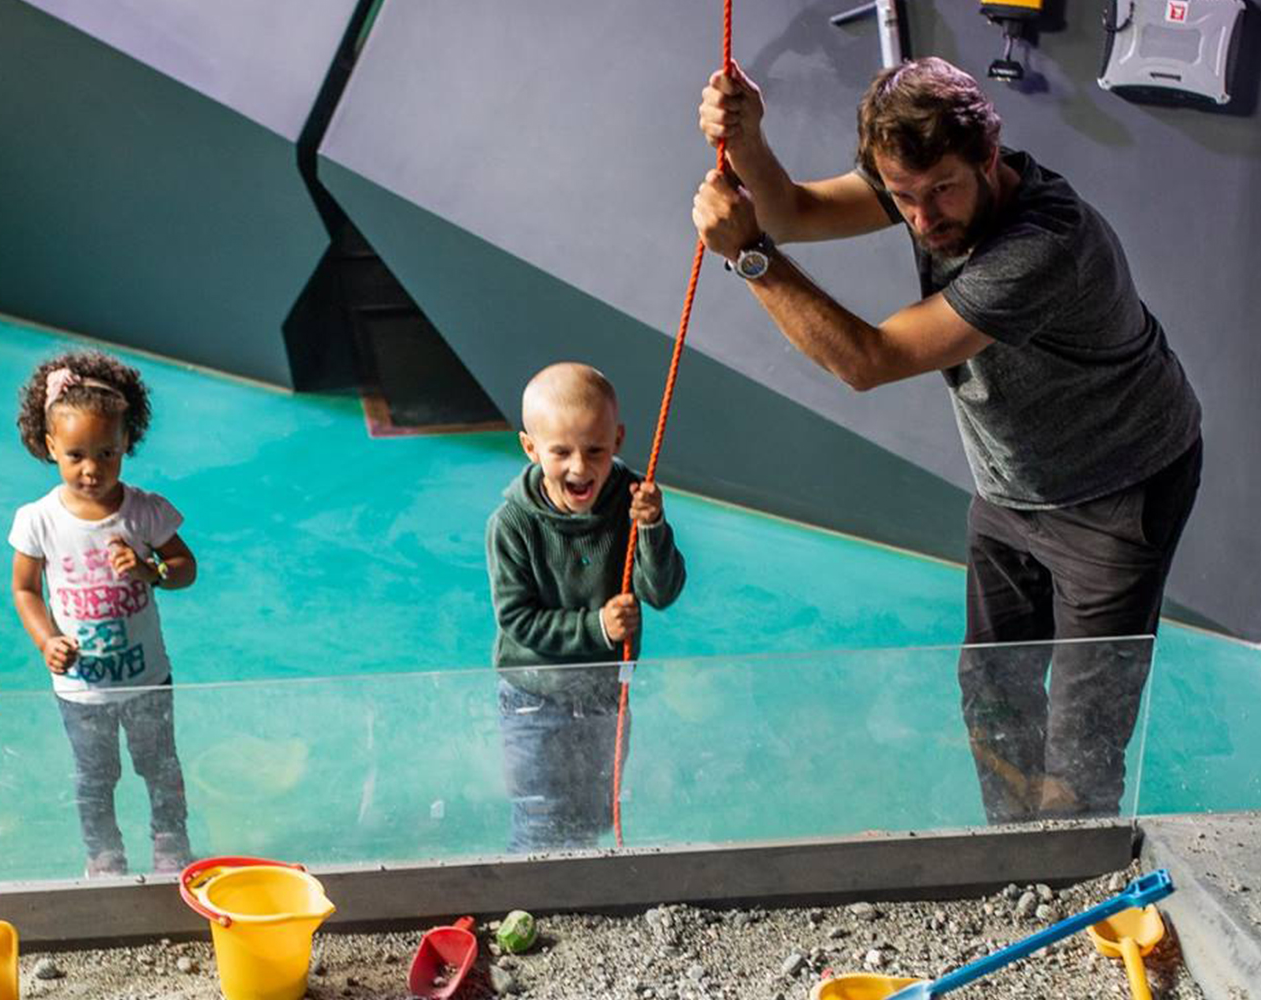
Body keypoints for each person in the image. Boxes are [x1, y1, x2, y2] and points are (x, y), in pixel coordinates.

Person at [694, 57, 1203, 821]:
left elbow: (871, 360)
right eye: (902, 196)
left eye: (941, 191)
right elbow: (793, 211)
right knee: (993, 690)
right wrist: (750, 142)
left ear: (989, 157)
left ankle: (1072, 863)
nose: (923, 219)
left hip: (1116, 491)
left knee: (1083, 741)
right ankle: (1013, 845)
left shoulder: (1042, 246)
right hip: (1013, 483)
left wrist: (751, 259)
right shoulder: (917, 174)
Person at [6, 349, 196, 876]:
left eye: (107, 453)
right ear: (50, 446)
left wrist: (151, 571)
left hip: (147, 679)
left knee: (161, 768)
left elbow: (185, 568)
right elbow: (25, 589)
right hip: (82, 690)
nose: (91, 469)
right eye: (76, 455)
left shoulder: (145, 511)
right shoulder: (38, 520)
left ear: (126, 442)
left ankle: (171, 843)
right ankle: (104, 855)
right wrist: (47, 640)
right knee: (94, 776)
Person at [485, 362, 686, 850]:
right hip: (535, 696)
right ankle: (533, 890)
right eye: (561, 452)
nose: (579, 467)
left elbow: (661, 592)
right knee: (539, 818)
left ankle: (578, 891)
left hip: (604, 693)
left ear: (617, 439)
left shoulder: (632, 503)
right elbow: (516, 619)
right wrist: (598, 627)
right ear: (531, 448)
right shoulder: (511, 524)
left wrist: (653, 527)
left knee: (594, 814)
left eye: (595, 450)